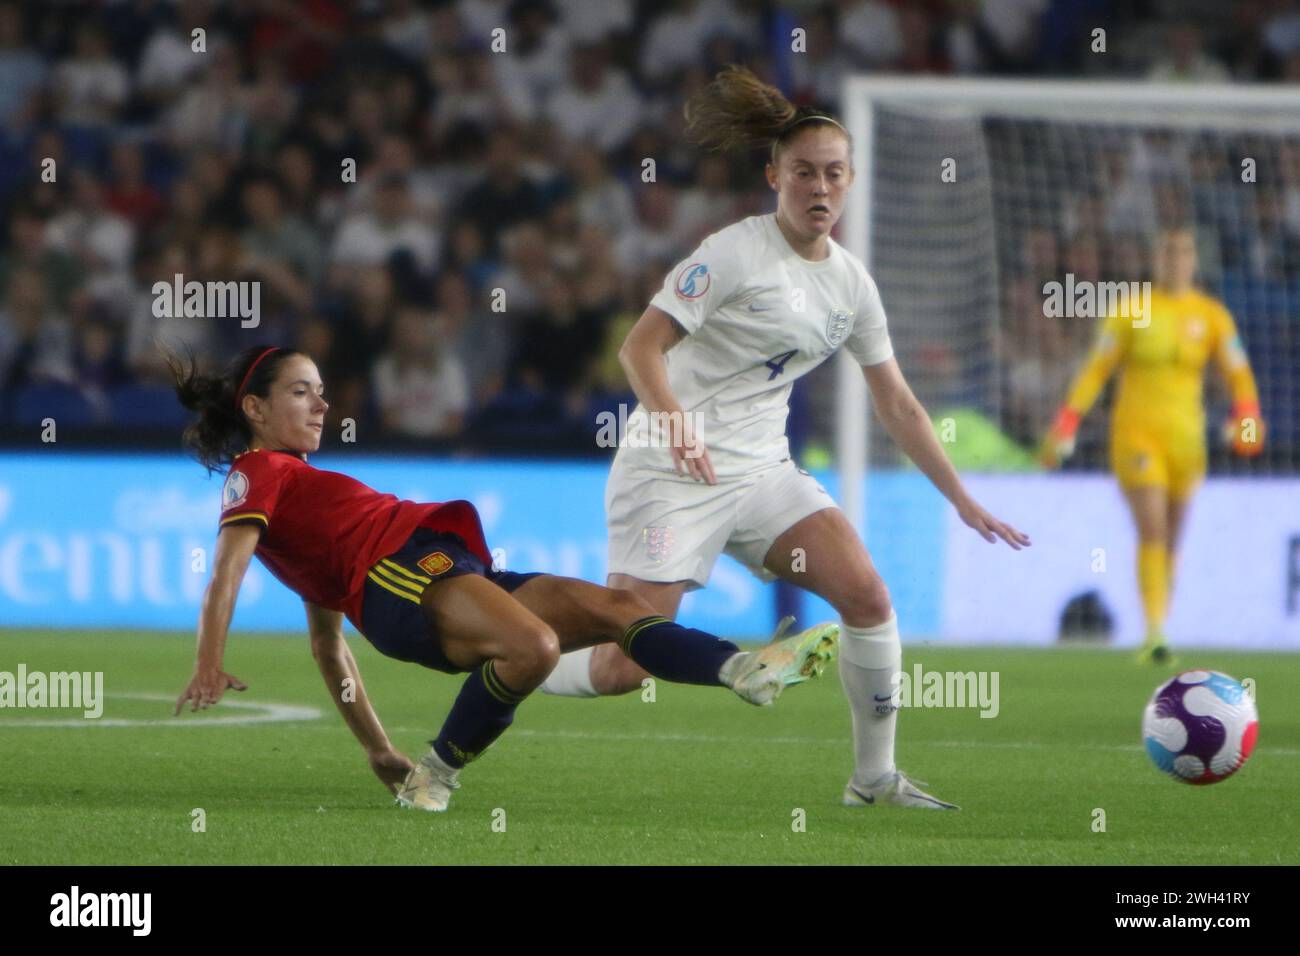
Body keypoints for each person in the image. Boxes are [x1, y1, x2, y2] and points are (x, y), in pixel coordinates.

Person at [540, 66, 1031, 811]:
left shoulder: (851, 284)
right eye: (804, 172)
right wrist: (674, 424)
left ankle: (873, 781)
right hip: (671, 474)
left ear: (852, 180)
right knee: (622, 669)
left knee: (866, 594)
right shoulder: (732, 252)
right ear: (774, 176)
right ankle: (525, 655)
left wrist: (961, 497)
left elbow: (895, 400)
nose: (820, 188)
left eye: (834, 173)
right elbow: (639, 349)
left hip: (762, 476)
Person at [168, 344, 839, 813]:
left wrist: (377, 750)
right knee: (535, 647)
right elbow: (224, 570)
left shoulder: (302, 499)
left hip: (439, 565)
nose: (320, 404)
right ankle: (440, 773)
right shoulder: (256, 474)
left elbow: (326, 645)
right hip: (400, 581)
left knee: (617, 607)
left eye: (320, 390)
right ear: (254, 409)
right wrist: (208, 660)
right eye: (299, 392)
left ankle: (743, 670)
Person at [1040, 226, 1264, 664]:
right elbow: (1095, 372)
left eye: (1183, 254)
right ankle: (1154, 631)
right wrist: (1065, 423)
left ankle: (1161, 625)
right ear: (1156, 260)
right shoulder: (1133, 310)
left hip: (1188, 442)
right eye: (1168, 253)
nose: (1175, 261)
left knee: (1174, 539)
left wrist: (1249, 422)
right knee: (1153, 528)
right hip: (1136, 437)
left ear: (1194, 262)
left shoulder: (1211, 315)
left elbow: (1238, 374)